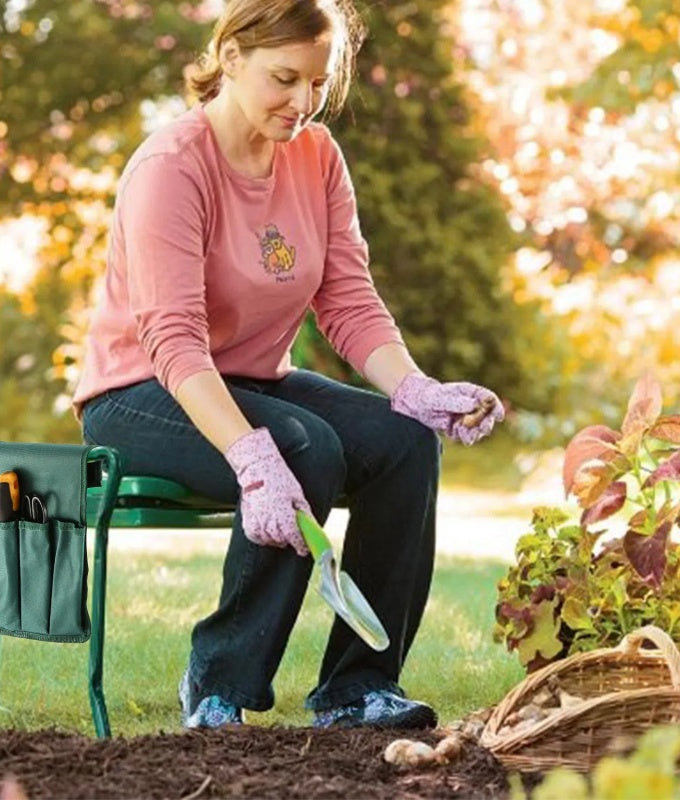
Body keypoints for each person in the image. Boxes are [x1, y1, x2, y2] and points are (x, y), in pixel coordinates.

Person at [73, 0, 504, 730]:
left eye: (317, 82)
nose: (302, 103)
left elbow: (348, 301)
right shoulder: (172, 168)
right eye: (284, 78)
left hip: (249, 379)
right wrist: (249, 453)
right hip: (140, 393)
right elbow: (174, 341)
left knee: (404, 443)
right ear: (232, 58)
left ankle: (358, 688)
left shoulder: (315, 156)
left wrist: (416, 389)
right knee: (298, 448)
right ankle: (217, 688)